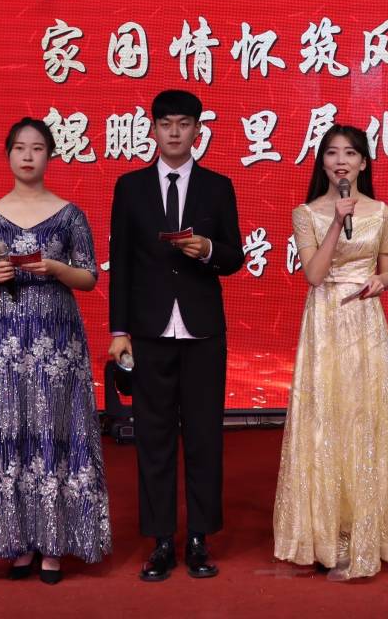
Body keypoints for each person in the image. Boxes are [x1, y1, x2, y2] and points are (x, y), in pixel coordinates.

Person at [0, 117, 110, 584]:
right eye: (20, 148)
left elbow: (89, 277)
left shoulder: (69, 215)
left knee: (54, 428)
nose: (28, 156)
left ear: (50, 155)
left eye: (38, 148)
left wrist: (57, 269)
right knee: (9, 429)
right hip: (4, 339)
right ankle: (17, 541)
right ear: (8, 154)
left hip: (57, 339)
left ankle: (55, 544)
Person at [107, 89, 244, 583]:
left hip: (203, 330)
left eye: (183, 124)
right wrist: (119, 330)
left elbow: (234, 256)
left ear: (198, 131)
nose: (174, 132)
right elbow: (121, 262)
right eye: (165, 124)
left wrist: (207, 249)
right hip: (148, 330)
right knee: (154, 437)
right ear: (152, 129)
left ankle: (200, 539)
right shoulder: (130, 187)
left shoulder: (218, 186)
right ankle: (162, 540)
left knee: (205, 437)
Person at [273, 125, 388, 581]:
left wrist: (381, 282)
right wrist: (336, 222)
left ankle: (364, 532)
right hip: (325, 320)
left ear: (364, 163)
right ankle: (324, 535)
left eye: (350, 153)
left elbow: (387, 271)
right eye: (333, 153)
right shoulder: (306, 213)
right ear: (322, 162)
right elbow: (314, 275)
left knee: (364, 418)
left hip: (366, 319)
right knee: (325, 420)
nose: (341, 161)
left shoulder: (382, 212)